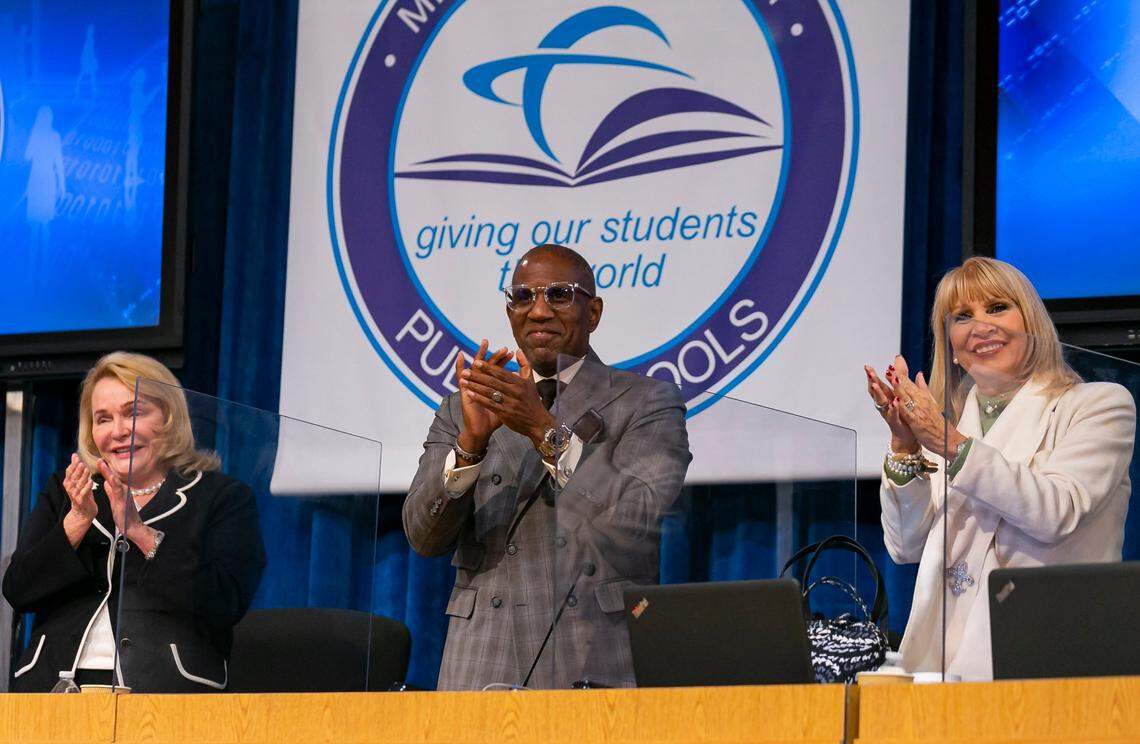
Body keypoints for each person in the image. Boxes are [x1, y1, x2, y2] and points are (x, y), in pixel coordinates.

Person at [403, 244, 692, 690]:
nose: (538, 311)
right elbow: (423, 537)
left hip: (591, 648)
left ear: (592, 312)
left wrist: (542, 429)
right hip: (482, 655)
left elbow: (637, 516)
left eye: (559, 295)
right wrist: (470, 447)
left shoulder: (646, 401)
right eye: (522, 297)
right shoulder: (464, 407)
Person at [864, 256, 1135, 680]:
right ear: (951, 345)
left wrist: (947, 443)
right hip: (943, 669)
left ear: (1032, 322)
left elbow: (1055, 512)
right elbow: (905, 546)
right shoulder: (945, 429)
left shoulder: (1099, 405)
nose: (981, 326)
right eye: (962, 316)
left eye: (997, 308)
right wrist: (905, 444)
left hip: (1048, 659)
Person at [3, 352, 266, 692]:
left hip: (165, 692)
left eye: (134, 413)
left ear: (169, 418)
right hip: (54, 690)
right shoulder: (67, 492)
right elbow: (19, 591)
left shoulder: (221, 497)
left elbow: (225, 601)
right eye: (103, 419)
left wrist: (141, 533)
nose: (118, 431)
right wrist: (77, 522)